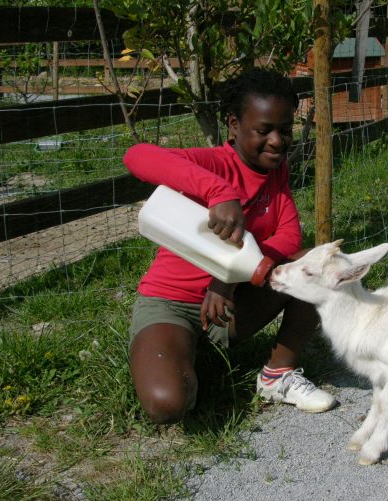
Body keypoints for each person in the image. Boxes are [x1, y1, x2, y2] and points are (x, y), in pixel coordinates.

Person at [123, 68, 337, 424]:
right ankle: (180, 356)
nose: (277, 142)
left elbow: (289, 235)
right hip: (171, 305)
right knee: (168, 404)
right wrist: (218, 191)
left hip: (230, 306)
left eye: (285, 130)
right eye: (264, 130)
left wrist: (227, 276)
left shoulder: (275, 173)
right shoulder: (215, 166)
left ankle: (277, 375)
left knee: (319, 266)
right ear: (234, 125)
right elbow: (137, 156)